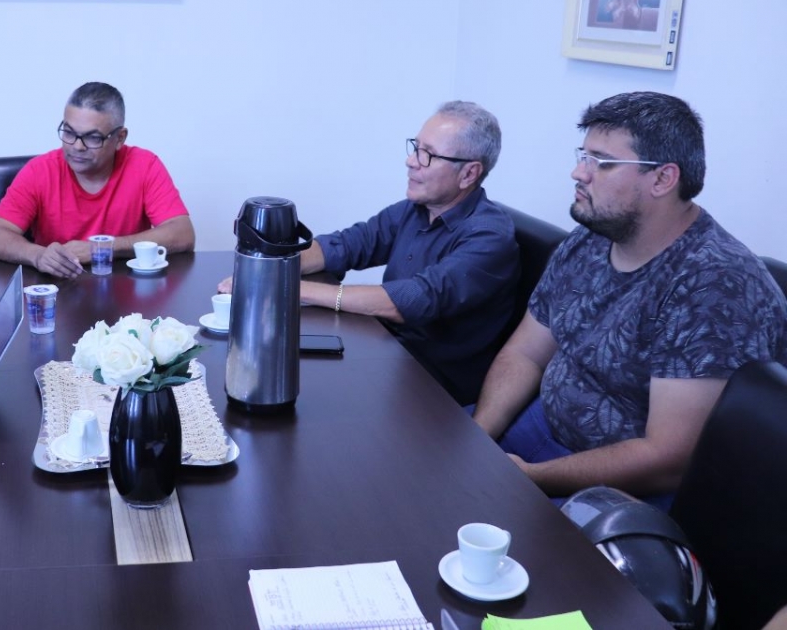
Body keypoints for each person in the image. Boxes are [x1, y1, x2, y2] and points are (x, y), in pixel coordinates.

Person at [473, 92, 787, 509]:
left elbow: (666, 459)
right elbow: (526, 353)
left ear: (662, 179)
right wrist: (479, 438)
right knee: (427, 467)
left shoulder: (715, 286)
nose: (578, 173)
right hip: (537, 426)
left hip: (620, 487)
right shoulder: (589, 238)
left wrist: (530, 477)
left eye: (601, 162)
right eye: (583, 156)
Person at [221, 102, 519, 405]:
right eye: (416, 147)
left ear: (469, 173)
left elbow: (416, 299)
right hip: (389, 355)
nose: (411, 161)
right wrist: (264, 269)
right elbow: (346, 245)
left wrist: (285, 288)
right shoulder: (416, 209)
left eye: (427, 154)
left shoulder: (490, 236)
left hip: (434, 390)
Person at [0, 81, 194, 279]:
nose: (77, 146)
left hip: (127, 292)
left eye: (92, 137)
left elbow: (183, 233)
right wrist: (37, 255)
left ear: (119, 138)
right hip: (58, 291)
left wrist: (104, 248)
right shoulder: (39, 171)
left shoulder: (144, 165)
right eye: (69, 133)